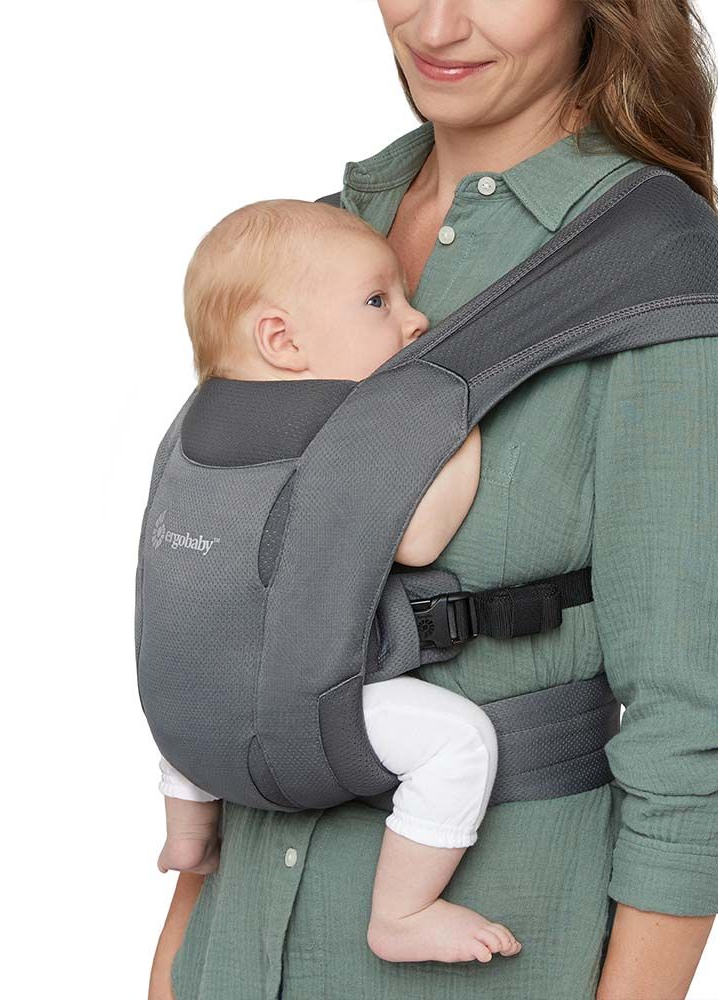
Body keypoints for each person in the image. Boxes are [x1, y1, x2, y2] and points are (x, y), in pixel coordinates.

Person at [150, 3, 718, 998]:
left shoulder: (647, 272)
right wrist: (176, 964)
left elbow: (702, 718)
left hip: (491, 949)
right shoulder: (319, 237)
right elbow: (235, 611)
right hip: (234, 952)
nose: (437, 24)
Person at [152, 197, 523, 964]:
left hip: (182, 719)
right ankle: (403, 913)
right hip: (295, 720)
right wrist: (459, 427)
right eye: (379, 301)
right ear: (281, 339)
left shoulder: (187, 430)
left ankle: (187, 833)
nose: (416, 320)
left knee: (203, 659)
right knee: (460, 742)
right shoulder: (337, 429)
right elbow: (418, 541)